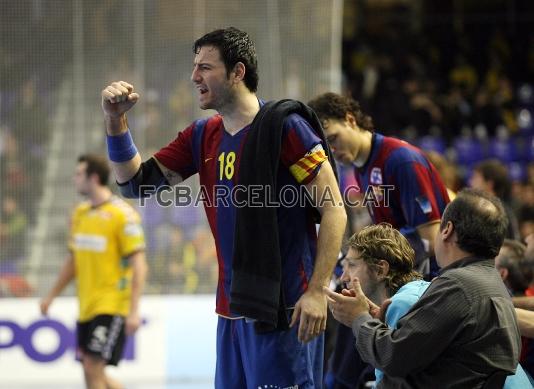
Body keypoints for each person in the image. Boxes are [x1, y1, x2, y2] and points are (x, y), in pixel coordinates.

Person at [101, 27, 346, 388]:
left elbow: (334, 209)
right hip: (231, 309)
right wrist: (115, 120)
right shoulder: (202, 135)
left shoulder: (286, 128)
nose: (194, 76)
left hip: (287, 307)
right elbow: (135, 184)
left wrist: (316, 292)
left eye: (205, 67)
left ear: (238, 72)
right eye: (194, 66)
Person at [308, 92, 450, 388]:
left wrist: (363, 260)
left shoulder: (401, 160)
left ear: (350, 119)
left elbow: (431, 238)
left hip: (427, 285)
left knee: (348, 346)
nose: (332, 149)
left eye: (333, 138)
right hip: (395, 280)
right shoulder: (362, 168)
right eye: (326, 146)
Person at [325, 189, 522, 388]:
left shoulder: (458, 286)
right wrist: (375, 322)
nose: (344, 276)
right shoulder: (493, 284)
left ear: (447, 230)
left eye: (351, 265)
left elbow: (392, 358)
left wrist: (359, 318)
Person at [40, 154, 147, 389]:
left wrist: (134, 310)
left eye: (79, 174)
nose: (74, 179)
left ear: (94, 178)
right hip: (86, 306)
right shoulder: (79, 214)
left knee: (92, 366)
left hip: (111, 304)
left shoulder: (123, 215)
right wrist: (51, 295)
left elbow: (139, 264)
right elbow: (73, 261)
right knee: (92, 371)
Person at [338, 223, 430, 387]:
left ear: (380, 270)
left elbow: (389, 379)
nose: (343, 278)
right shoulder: (414, 291)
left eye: (352, 266)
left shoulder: (401, 304)